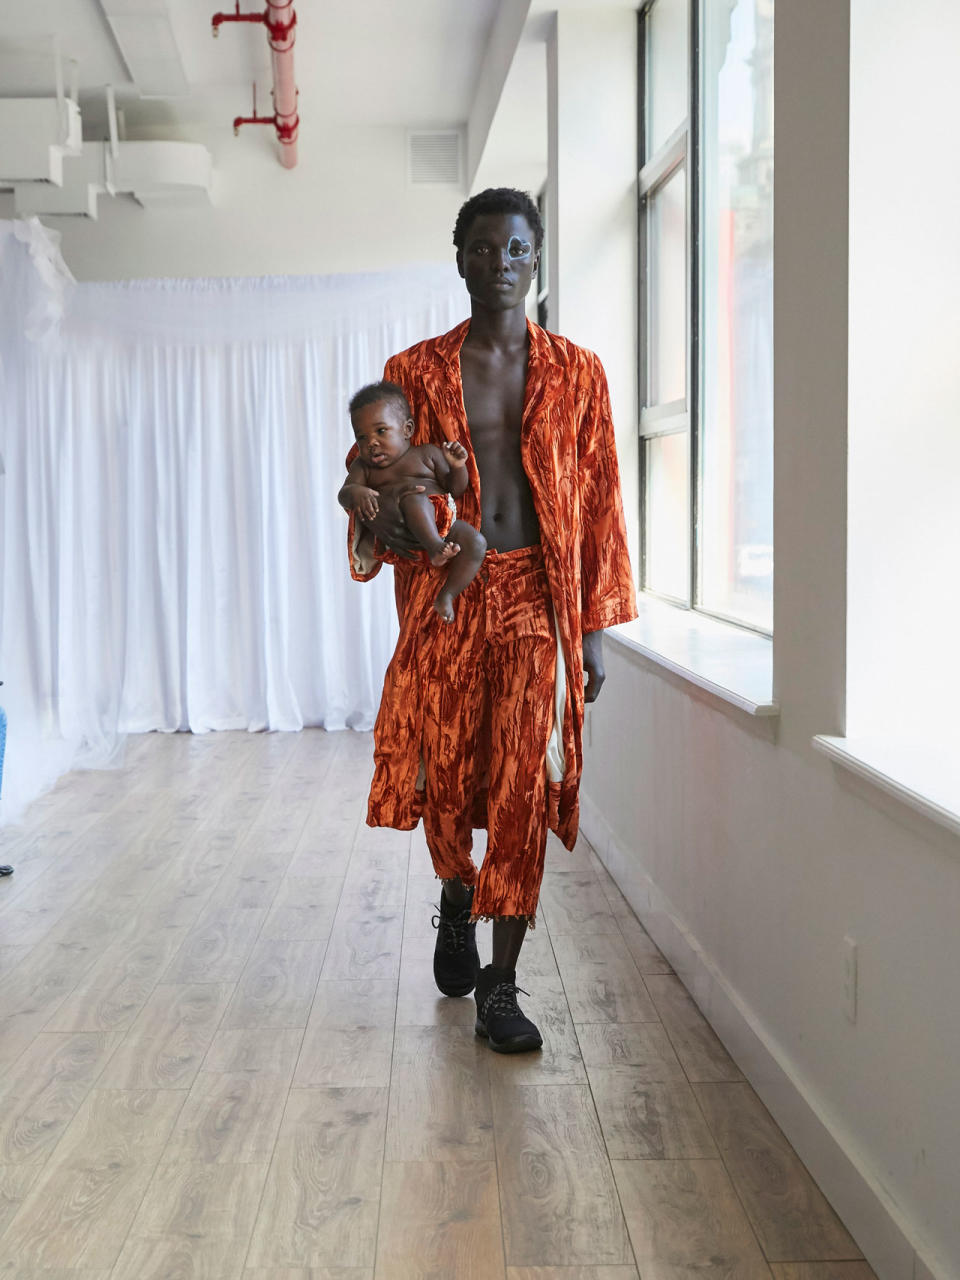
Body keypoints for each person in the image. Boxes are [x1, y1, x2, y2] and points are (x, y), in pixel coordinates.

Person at [345, 187, 636, 1053]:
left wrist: (589, 627)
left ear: (535, 261)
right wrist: (376, 512)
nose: (499, 265)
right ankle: (457, 894)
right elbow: (370, 477)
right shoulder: (415, 371)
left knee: (520, 783)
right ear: (461, 259)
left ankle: (501, 986)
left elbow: (602, 499)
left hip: (537, 598)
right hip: (450, 593)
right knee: (448, 768)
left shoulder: (578, 371)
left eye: (516, 251)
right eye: (482, 249)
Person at [338, 382, 487, 621]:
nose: (371, 443)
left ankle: (447, 595)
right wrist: (356, 492)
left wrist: (458, 466)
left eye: (381, 431)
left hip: (443, 522)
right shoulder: (363, 468)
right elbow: (343, 495)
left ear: (407, 429)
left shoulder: (426, 454)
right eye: (361, 437)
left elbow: (456, 488)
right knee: (412, 497)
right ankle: (436, 548)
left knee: (477, 544)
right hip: (405, 528)